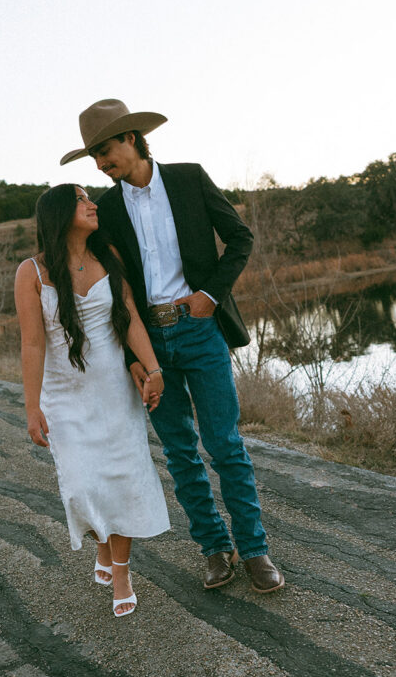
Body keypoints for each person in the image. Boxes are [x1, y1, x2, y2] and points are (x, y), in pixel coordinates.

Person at [59, 99, 284, 593]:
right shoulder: (107, 208)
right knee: (181, 453)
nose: (100, 163)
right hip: (148, 344)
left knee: (224, 444)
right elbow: (103, 281)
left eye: (105, 150)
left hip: (201, 330)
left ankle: (254, 551)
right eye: (93, 156)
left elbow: (240, 238)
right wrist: (132, 357)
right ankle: (214, 549)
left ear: (133, 139)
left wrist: (210, 295)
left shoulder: (188, 179)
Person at [14, 183, 170, 617]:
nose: (92, 204)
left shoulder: (109, 258)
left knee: (121, 480)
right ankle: (103, 545)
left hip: (114, 392)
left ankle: (121, 570)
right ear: (60, 214)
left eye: (90, 198)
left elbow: (132, 318)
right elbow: (32, 344)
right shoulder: (32, 272)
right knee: (86, 484)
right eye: (81, 200)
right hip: (64, 396)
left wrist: (152, 368)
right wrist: (31, 406)